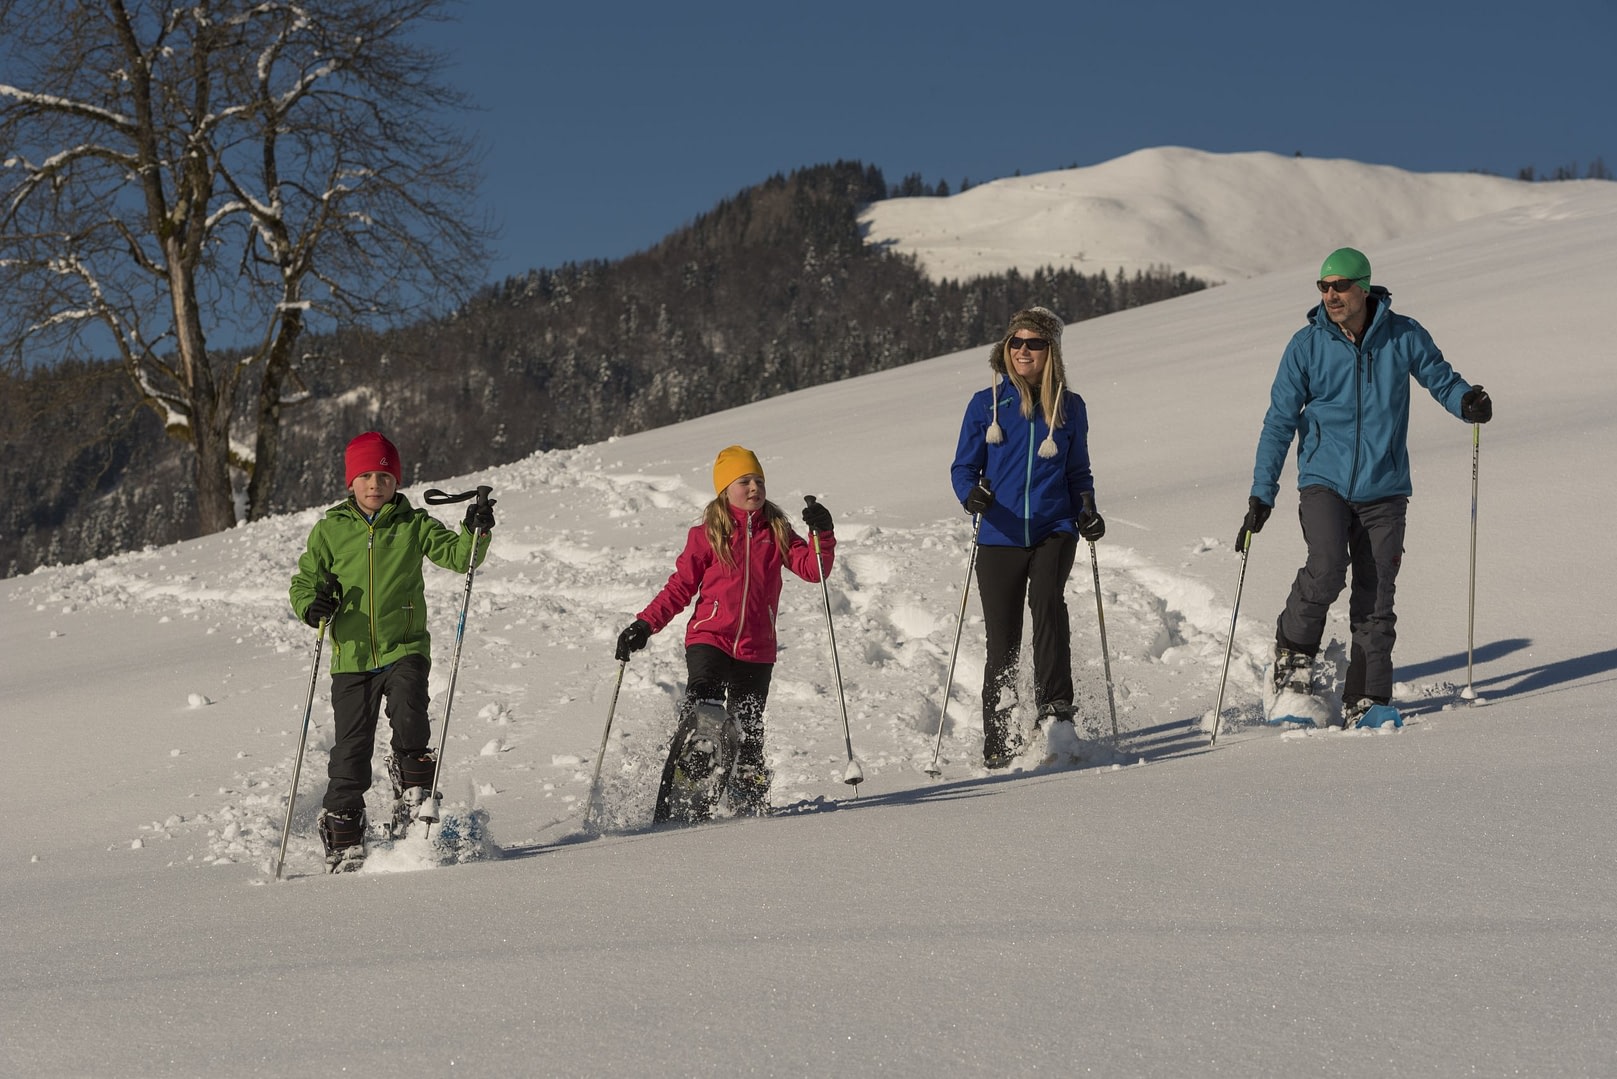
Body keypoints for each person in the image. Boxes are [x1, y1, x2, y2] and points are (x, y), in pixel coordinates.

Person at [1238, 247, 1492, 724]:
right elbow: (1279, 421)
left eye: (1339, 286)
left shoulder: (1403, 334)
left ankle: (1367, 698)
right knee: (1329, 564)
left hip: (1385, 486)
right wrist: (1261, 492)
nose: (1330, 295)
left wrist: (1466, 401)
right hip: (1324, 481)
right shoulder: (1306, 345)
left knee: (1377, 593)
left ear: (1364, 288)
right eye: (1323, 286)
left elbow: (1441, 379)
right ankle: (1293, 654)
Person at [288, 431, 494, 869]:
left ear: (396, 480)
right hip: (353, 657)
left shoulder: (413, 524)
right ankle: (343, 829)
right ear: (350, 482)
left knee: (409, 713)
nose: (374, 484)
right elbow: (304, 582)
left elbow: (460, 558)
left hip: (406, 648)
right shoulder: (329, 531)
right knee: (351, 747)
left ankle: (413, 793)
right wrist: (313, 605)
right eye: (365, 475)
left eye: (383, 475)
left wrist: (474, 529)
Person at [615, 445, 835, 820]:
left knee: (748, 732)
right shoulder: (707, 534)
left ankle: (749, 799)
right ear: (724, 489)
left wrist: (823, 534)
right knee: (706, 714)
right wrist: (645, 625)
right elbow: (679, 588)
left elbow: (814, 569)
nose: (754, 488)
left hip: (757, 648)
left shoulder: (779, 531)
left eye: (759, 481)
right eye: (744, 481)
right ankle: (689, 780)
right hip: (710, 639)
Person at [950, 307, 1104, 768]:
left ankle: (1056, 714)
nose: (1022, 351)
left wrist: (1087, 511)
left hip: (1053, 529)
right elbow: (963, 468)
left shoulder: (1070, 408)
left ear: (1050, 351)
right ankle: (1000, 740)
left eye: (1033, 343)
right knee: (1003, 639)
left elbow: (1079, 472)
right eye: (1015, 342)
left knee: (1048, 607)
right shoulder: (986, 405)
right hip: (998, 533)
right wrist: (970, 494)